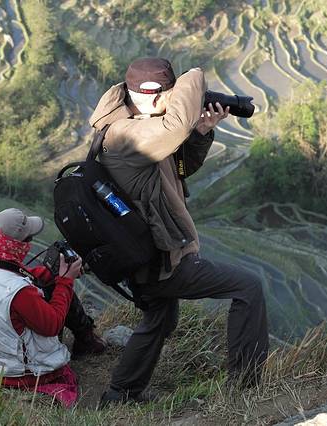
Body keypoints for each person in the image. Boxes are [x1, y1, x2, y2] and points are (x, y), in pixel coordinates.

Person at [89, 58, 269, 405]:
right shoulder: (125, 134)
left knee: (160, 317)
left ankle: (120, 394)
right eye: (163, 94)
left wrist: (199, 133)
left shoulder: (139, 124)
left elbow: (180, 170)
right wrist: (194, 77)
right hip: (160, 261)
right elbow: (174, 128)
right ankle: (247, 390)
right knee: (248, 287)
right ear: (146, 95)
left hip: (148, 253)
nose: (166, 101)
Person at [0, 208, 105, 406]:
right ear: (19, 245)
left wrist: (51, 274)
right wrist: (65, 281)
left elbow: (11, 273)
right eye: (29, 239)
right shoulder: (19, 293)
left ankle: (86, 338)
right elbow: (52, 325)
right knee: (59, 294)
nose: (31, 243)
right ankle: (86, 339)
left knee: (51, 287)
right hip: (12, 373)